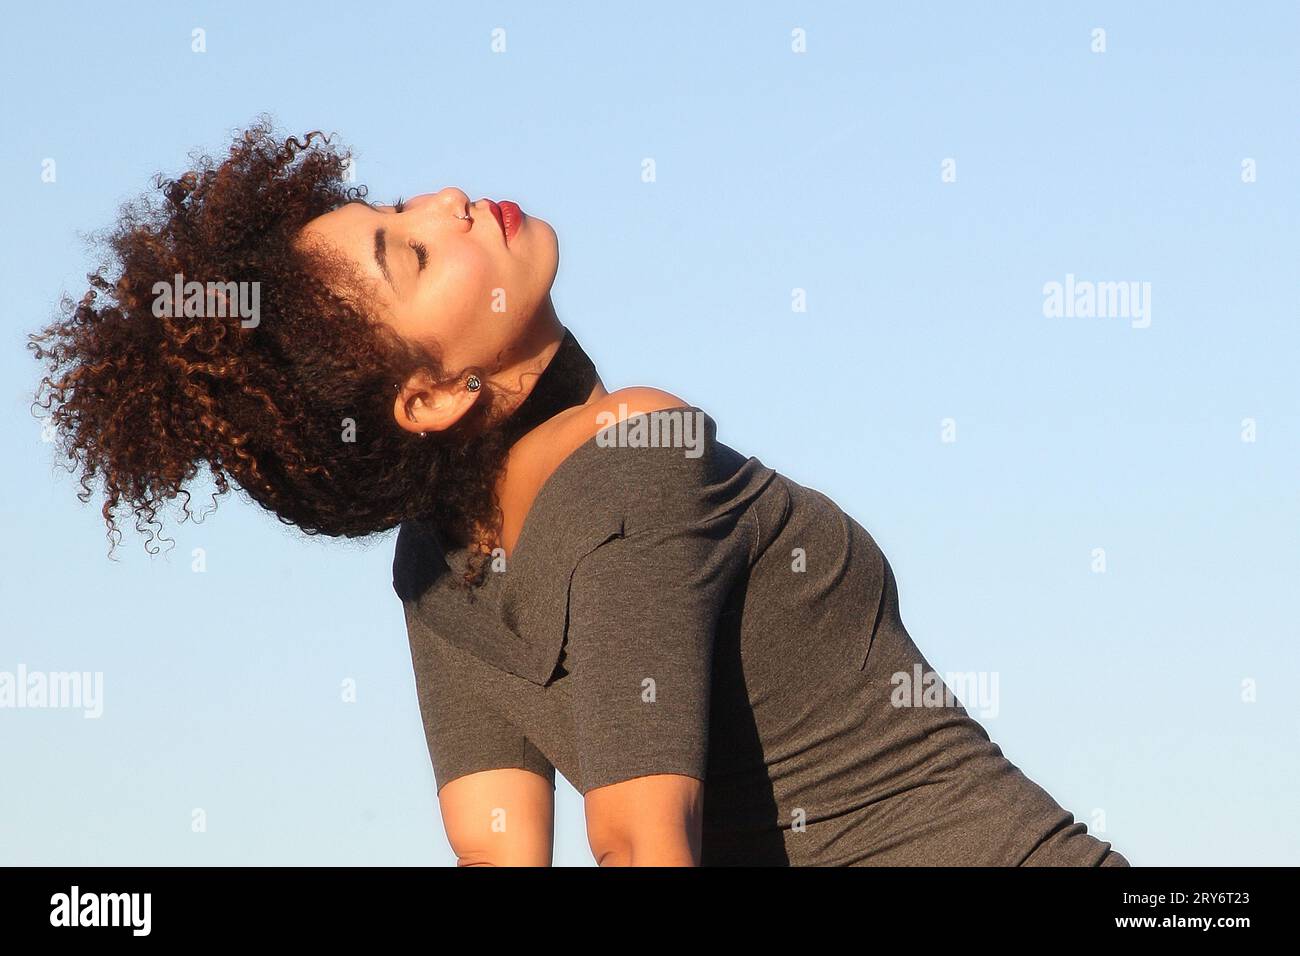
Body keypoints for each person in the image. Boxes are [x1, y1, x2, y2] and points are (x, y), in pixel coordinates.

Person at [32, 123, 1128, 866]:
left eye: (406, 205)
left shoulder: (435, 568)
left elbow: (496, 848)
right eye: (410, 253)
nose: (449, 202)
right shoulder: (633, 449)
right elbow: (642, 835)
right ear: (431, 397)